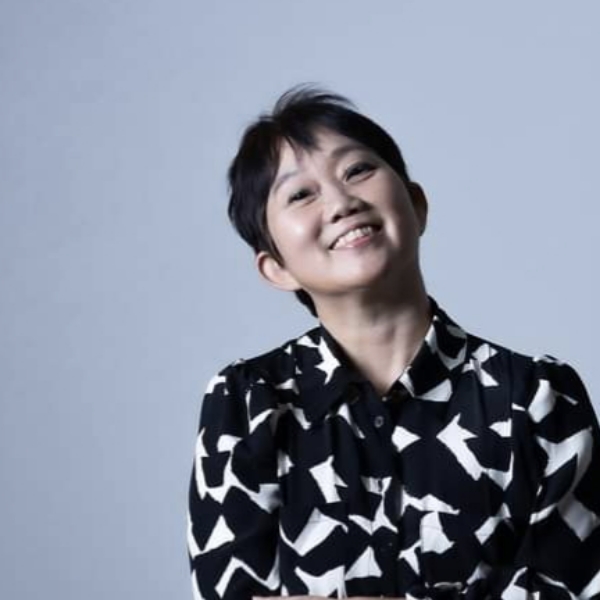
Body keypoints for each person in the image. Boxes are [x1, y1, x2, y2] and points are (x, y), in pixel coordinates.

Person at [187, 86, 600, 600]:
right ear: (276, 268)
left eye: (357, 170)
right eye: (300, 195)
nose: (341, 202)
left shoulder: (537, 397)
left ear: (417, 205)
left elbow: (577, 588)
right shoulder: (247, 402)